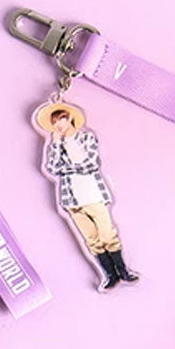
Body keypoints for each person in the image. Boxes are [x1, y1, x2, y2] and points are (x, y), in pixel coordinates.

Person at [35, 102, 138, 291]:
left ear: (69, 118)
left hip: (93, 194)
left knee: (108, 234)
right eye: (54, 122)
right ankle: (110, 275)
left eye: (60, 119)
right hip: (71, 199)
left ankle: (123, 271)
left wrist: (66, 168)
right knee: (92, 240)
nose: (58, 125)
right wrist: (56, 144)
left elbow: (90, 163)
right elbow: (52, 168)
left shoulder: (86, 137)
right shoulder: (56, 144)